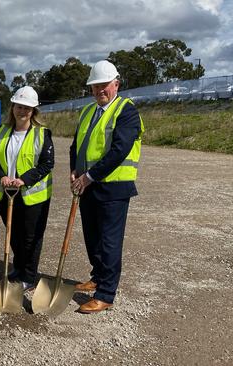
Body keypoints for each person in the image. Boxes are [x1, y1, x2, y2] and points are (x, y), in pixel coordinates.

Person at [70, 60, 144, 313]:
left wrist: (89, 176)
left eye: (105, 85)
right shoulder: (87, 112)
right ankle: (98, 277)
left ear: (116, 84)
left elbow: (119, 150)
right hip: (87, 185)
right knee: (93, 238)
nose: (100, 90)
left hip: (114, 188)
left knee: (110, 242)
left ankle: (106, 293)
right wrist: (75, 170)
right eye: (95, 86)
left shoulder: (127, 110)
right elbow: (76, 145)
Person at [0, 86, 54, 291]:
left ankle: (29, 275)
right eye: (19, 106)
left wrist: (24, 179)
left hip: (32, 197)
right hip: (6, 193)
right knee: (14, 234)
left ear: (33, 111)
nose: (22, 111)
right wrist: (1, 177)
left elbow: (47, 164)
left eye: (27, 108)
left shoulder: (42, 134)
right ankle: (18, 267)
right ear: (12, 107)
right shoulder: (1, 131)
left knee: (30, 238)